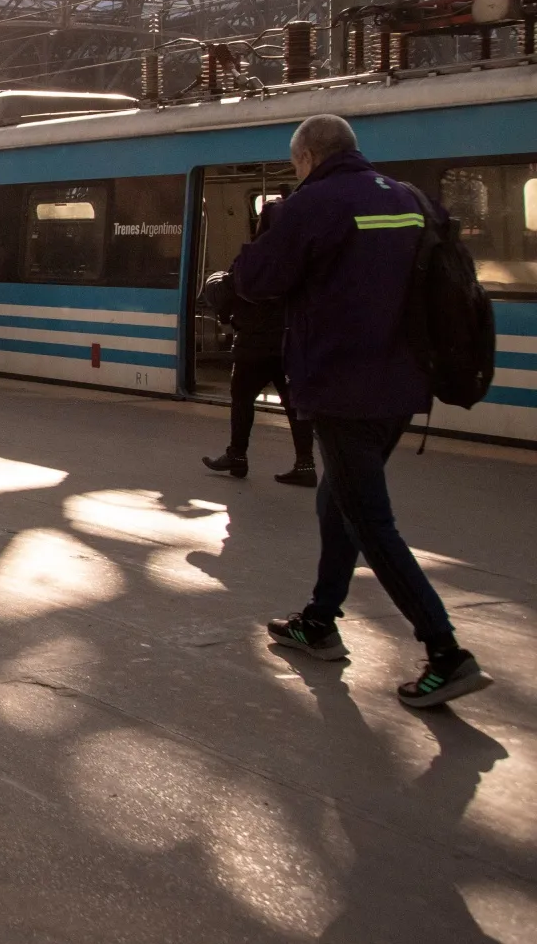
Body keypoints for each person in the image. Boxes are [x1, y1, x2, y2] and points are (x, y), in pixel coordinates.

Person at [232, 113, 493, 707]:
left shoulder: (311, 204)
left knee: (370, 520)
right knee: (339, 498)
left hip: (342, 385)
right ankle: (319, 622)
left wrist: (269, 224)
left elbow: (255, 279)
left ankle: (446, 652)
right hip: (404, 389)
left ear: (307, 158)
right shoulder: (412, 199)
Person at [202, 201, 316, 485]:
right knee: (294, 405)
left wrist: (220, 292)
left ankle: (237, 457)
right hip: (289, 346)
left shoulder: (250, 258)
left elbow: (227, 294)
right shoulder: (302, 260)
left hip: (252, 347)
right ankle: (305, 464)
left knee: (242, 400)